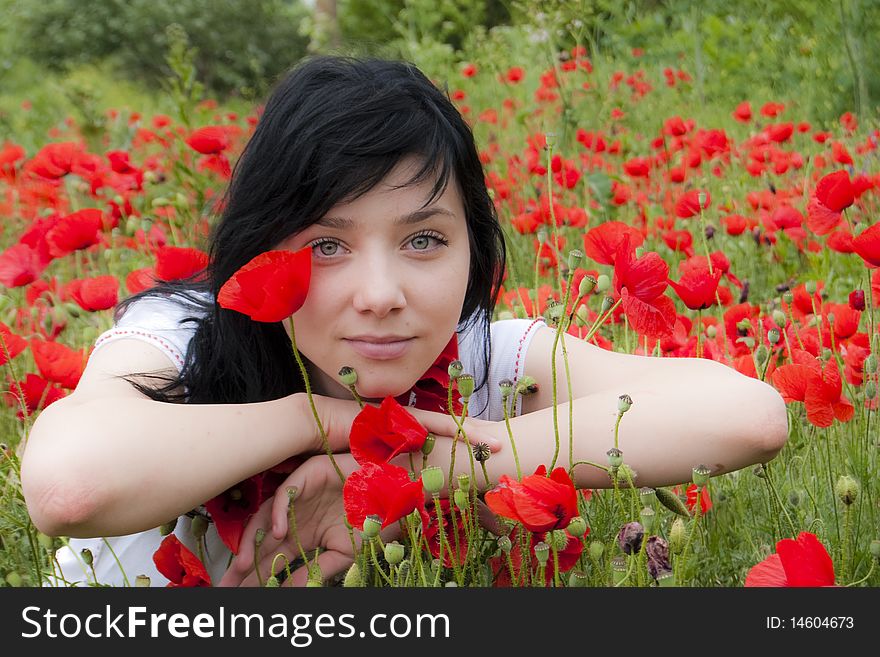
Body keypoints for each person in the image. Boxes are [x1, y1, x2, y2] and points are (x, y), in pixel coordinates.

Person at [20, 56, 789, 588]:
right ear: (258, 251)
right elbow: (67, 488)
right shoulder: (182, 334)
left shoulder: (483, 357)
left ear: (473, 248)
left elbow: (748, 415)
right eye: (327, 244)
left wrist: (431, 468)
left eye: (424, 239)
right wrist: (316, 419)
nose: (382, 292)